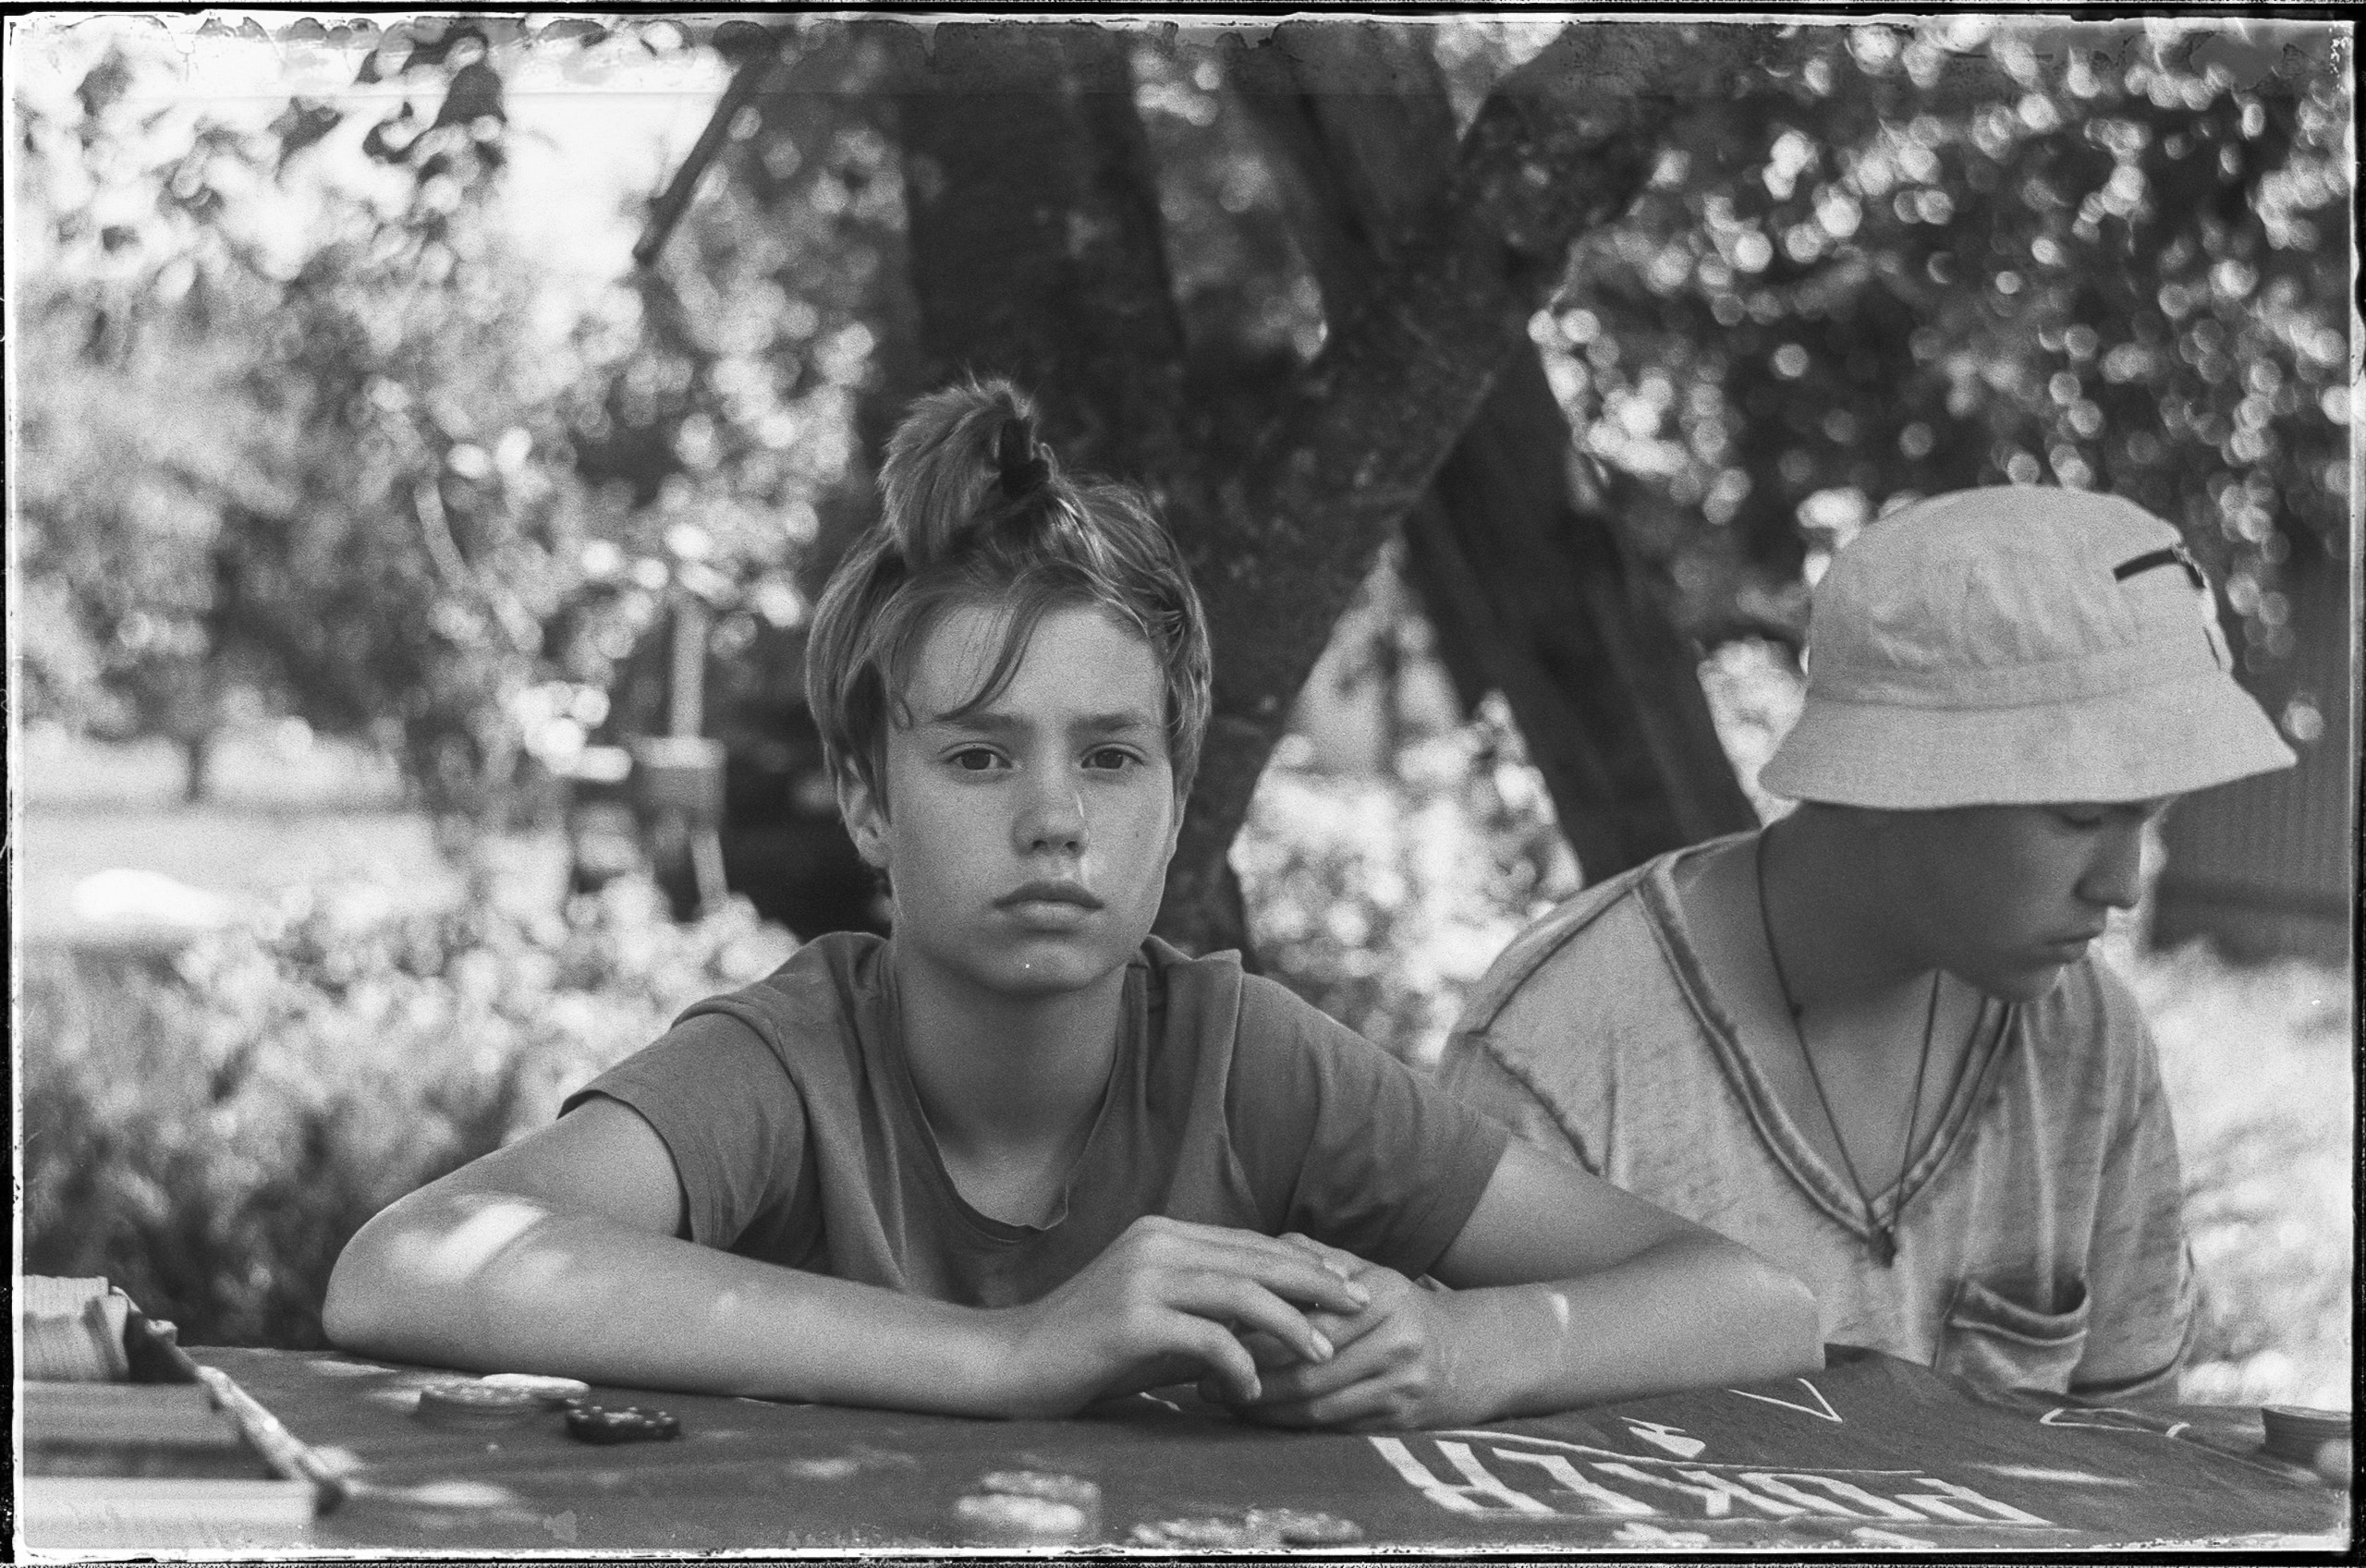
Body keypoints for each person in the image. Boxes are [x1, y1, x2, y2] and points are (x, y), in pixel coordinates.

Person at [326, 379, 1819, 1429]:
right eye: (978, 755)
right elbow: (409, 1264)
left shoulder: (1252, 1064)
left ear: (1174, 798)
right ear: (867, 800)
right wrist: (1011, 1354)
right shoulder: (791, 1065)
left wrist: (1462, 1343)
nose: (1053, 818)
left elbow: (1755, 1300)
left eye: (1110, 756)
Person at [1435, 486, 2297, 1404]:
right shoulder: (1557, 1054)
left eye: (2149, 816)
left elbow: (2131, 1459)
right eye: (2080, 814)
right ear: (1892, 778)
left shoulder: (2086, 1036)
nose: (2122, 883)